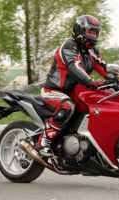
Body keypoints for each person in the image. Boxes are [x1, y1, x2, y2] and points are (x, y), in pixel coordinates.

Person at [38, 15, 108, 156]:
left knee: (99, 101)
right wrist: (91, 81)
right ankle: (42, 143)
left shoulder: (92, 51)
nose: (93, 36)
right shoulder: (69, 46)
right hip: (53, 90)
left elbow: (105, 68)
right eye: (90, 31)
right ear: (79, 30)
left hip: (74, 92)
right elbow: (74, 66)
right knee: (67, 106)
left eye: (95, 32)